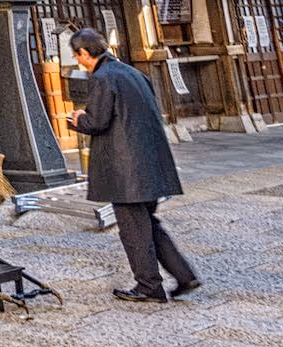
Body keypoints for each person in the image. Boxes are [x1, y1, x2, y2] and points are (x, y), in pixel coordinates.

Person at [69, 27, 199, 303]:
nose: (78, 61)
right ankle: (184, 274)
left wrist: (79, 118)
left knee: (134, 230)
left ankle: (148, 285)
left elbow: (98, 121)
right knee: (149, 224)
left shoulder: (103, 78)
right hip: (151, 162)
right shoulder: (132, 73)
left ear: (84, 53)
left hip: (125, 168)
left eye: (78, 55)